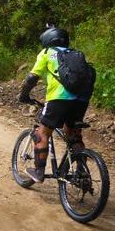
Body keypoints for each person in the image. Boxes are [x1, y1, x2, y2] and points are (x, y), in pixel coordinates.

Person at [17, 26, 90, 183]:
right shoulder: (75, 54)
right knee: (73, 135)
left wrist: (23, 95)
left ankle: (38, 171)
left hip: (59, 99)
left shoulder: (47, 53)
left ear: (48, 40)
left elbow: (31, 78)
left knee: (42, 133)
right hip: (81, 100)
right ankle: (82, 173)